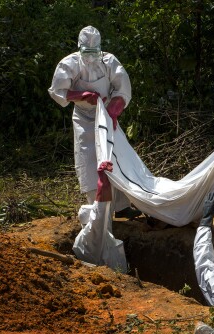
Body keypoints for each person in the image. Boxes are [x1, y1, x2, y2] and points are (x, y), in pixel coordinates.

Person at [48, 26, 132, 212]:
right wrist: (82, 95)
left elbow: (122, 89)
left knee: (116, 156)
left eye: (95, 52)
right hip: (83, 118)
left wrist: (113, 111)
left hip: (108, 115)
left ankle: (122, 206)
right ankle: (97, 207)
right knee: (88, 159)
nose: (91, 56)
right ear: (80, 48)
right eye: (87, 52)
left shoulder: (110, 62)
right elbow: (58, 91)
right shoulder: (69, 64)